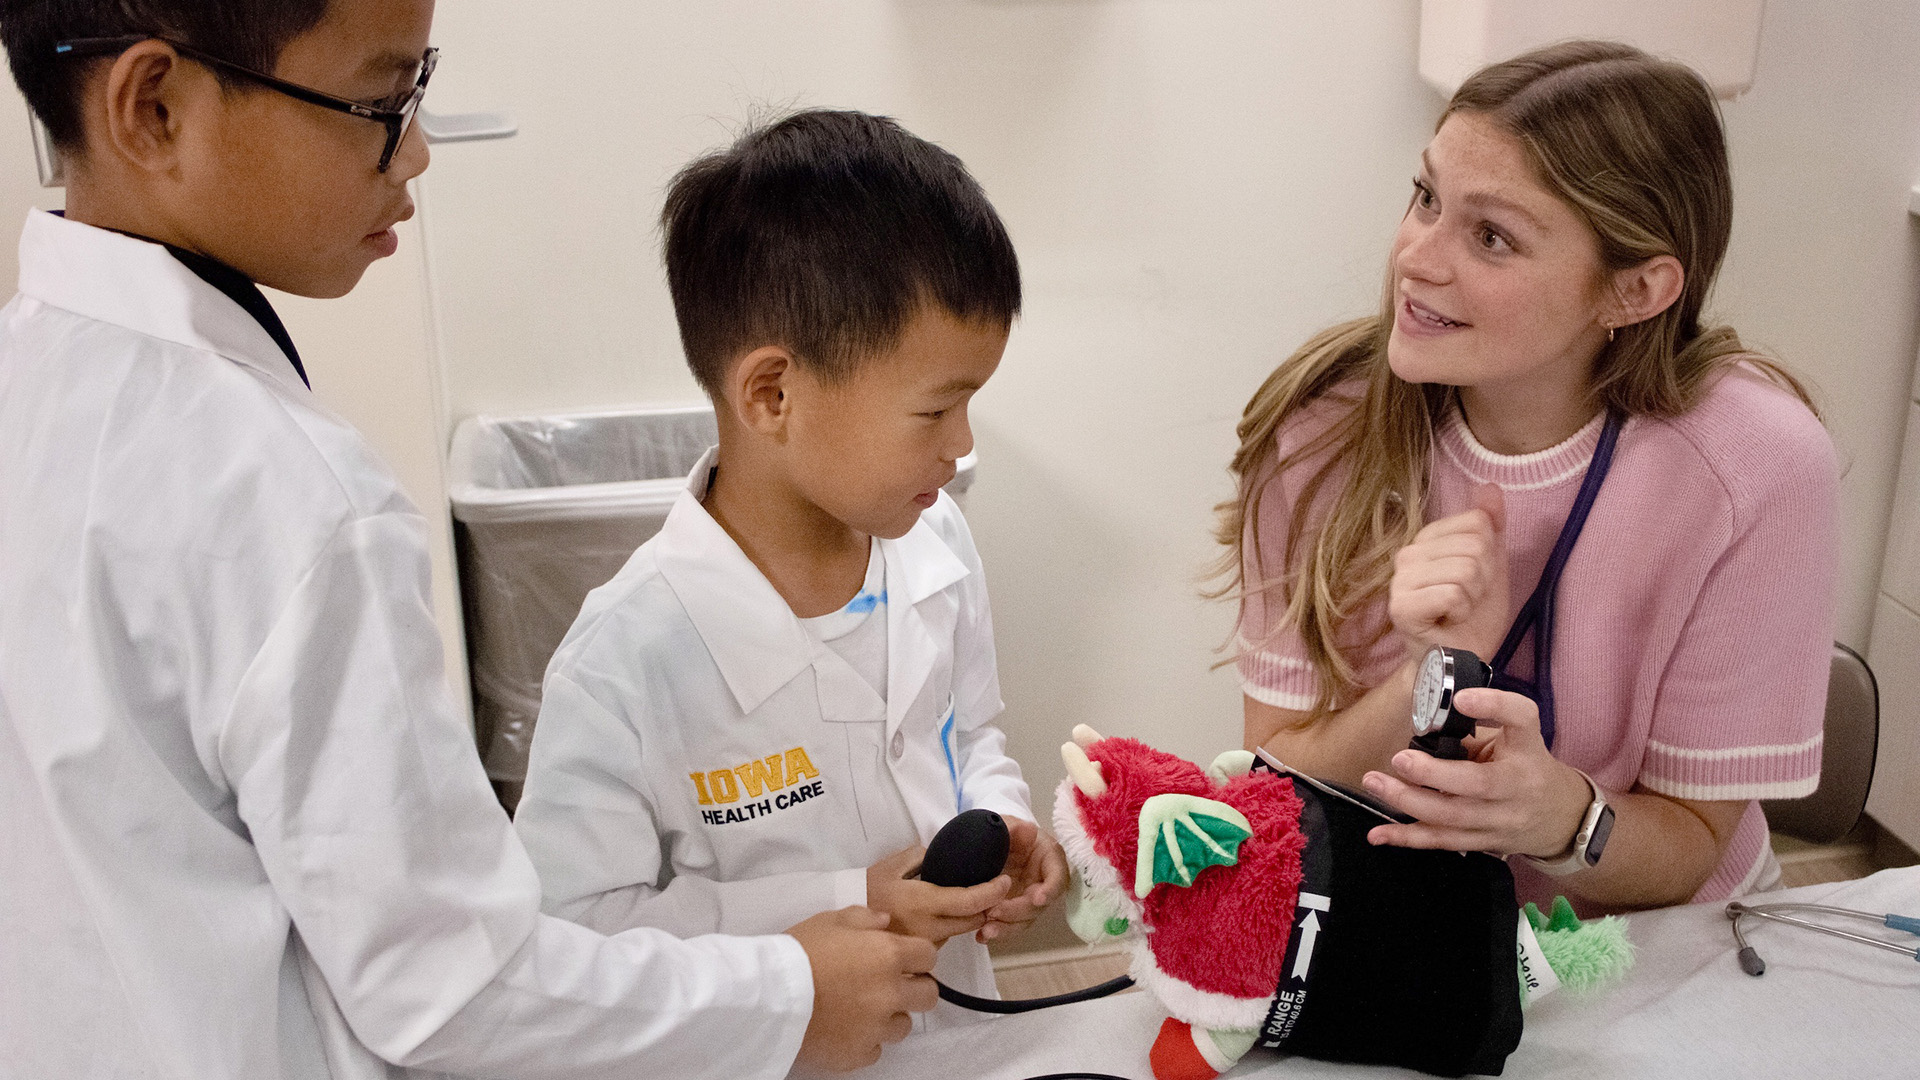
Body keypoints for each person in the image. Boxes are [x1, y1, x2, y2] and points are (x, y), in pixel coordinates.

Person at [0, 2, 939, 1076]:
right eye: (380, 101)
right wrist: (786, 996)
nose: (418, 150)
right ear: (155, 107)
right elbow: (450, 989)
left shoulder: (37, 380)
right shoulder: (288, 496)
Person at [1219, 41, 1836, 913]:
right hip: (1402, 923)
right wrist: (1429, 674)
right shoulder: (1322, 427)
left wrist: (1561, 820)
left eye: (1492, 236)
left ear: (1635, 290)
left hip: (1664, 935)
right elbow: (1272, 780)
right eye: (1426, 197)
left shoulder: (1757, 464)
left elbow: (1693, 844)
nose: (1417, 259)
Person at [512, 109, 1068, 1028]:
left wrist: (1000, 825)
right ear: (773, 395)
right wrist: (850, 899)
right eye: (936, 412)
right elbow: (575, 936)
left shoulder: (938, 550)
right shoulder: (626, 658)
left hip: (963, 1032)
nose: (962, 446)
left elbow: (969, 737)